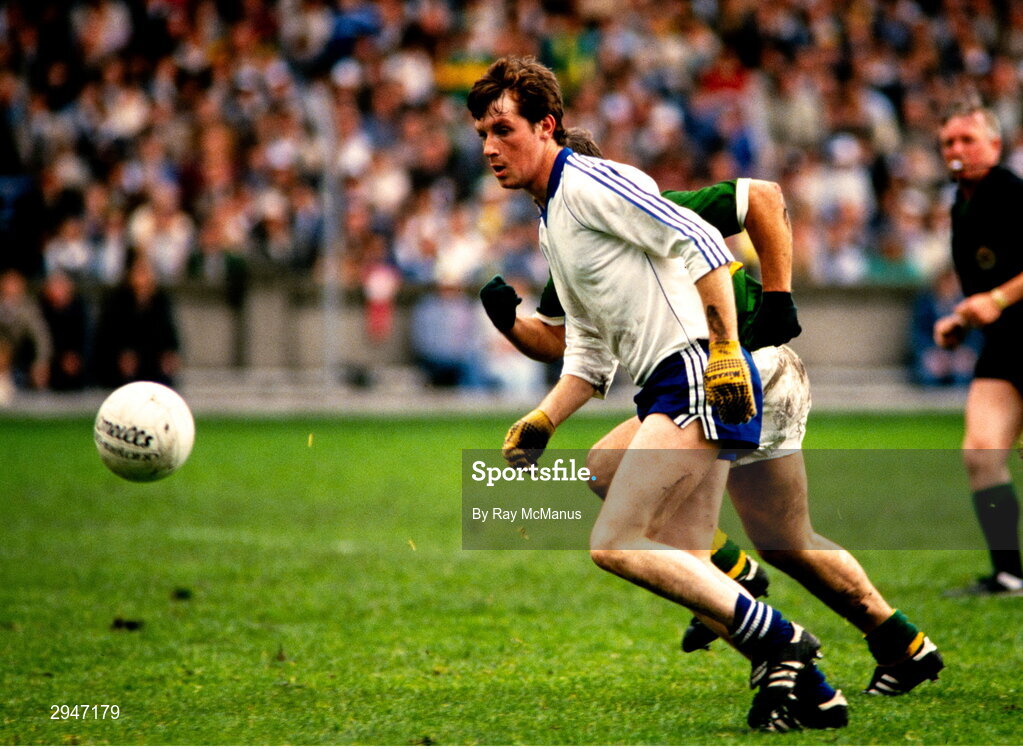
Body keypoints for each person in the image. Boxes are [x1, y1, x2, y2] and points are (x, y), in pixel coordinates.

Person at [483, 127, 943, 714]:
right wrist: (519, 349)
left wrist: (777, 297)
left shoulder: (636, 204)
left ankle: (760, 612)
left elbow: (763, 198)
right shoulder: (573, 239)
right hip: (712, 379)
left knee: (680, 532)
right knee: (769, 535)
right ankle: (895, 644)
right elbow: (571, 344)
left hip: (746, 367)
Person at [469, 56, 831, 733]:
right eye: (481, 133)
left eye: (502, 128)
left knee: (616, 541)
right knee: (686, 554)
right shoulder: (554, 221)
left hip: (696, 373)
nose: (489, 147)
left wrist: (724, 349)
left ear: (546, 126)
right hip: (671, 383)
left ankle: (784, 643)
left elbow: (699, 235)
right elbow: (589, 350)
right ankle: (810, 687)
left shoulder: (586, 181)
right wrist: (543, 418)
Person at [933, 101, 1023, 596]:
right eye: (949, 142)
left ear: (995, 145)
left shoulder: (1010, 193)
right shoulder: (961, 204)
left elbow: (999, 288)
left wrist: (997, 298)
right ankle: (1009, 574)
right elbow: (985, 285)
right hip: (1004, 343)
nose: (957, 150)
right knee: (982, 452)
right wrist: (960, 320)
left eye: (968, 140)